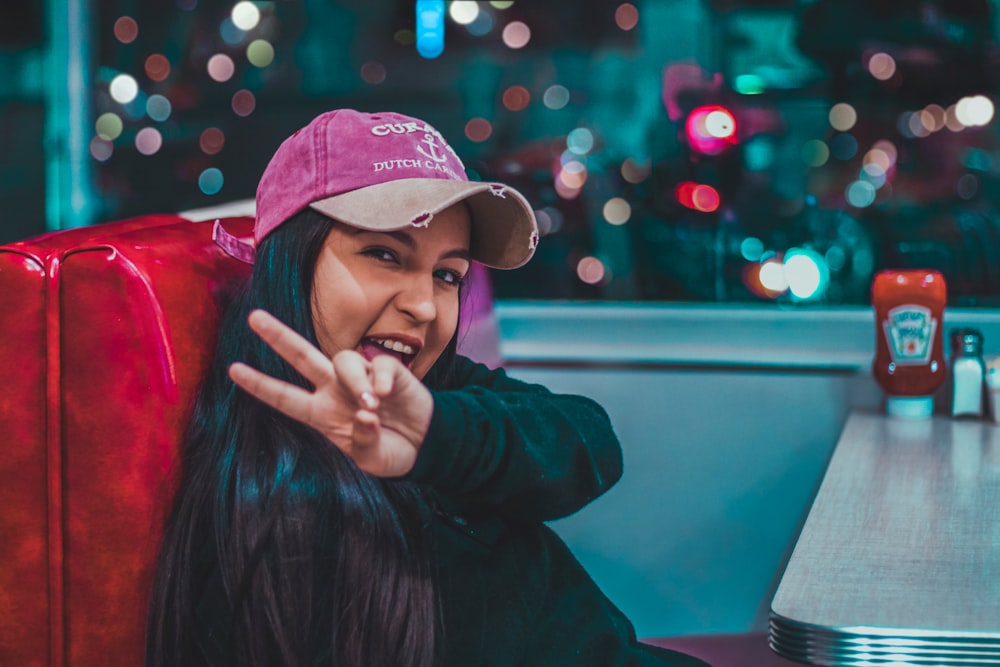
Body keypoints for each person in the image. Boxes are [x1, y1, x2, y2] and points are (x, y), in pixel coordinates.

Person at [145, 108, 708, 667]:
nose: (422, 307)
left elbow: (587, 443)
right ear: (290, 261)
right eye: (384, 254)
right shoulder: (287, 520)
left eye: (447, 275)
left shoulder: (429, 388)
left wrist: (437, 436)